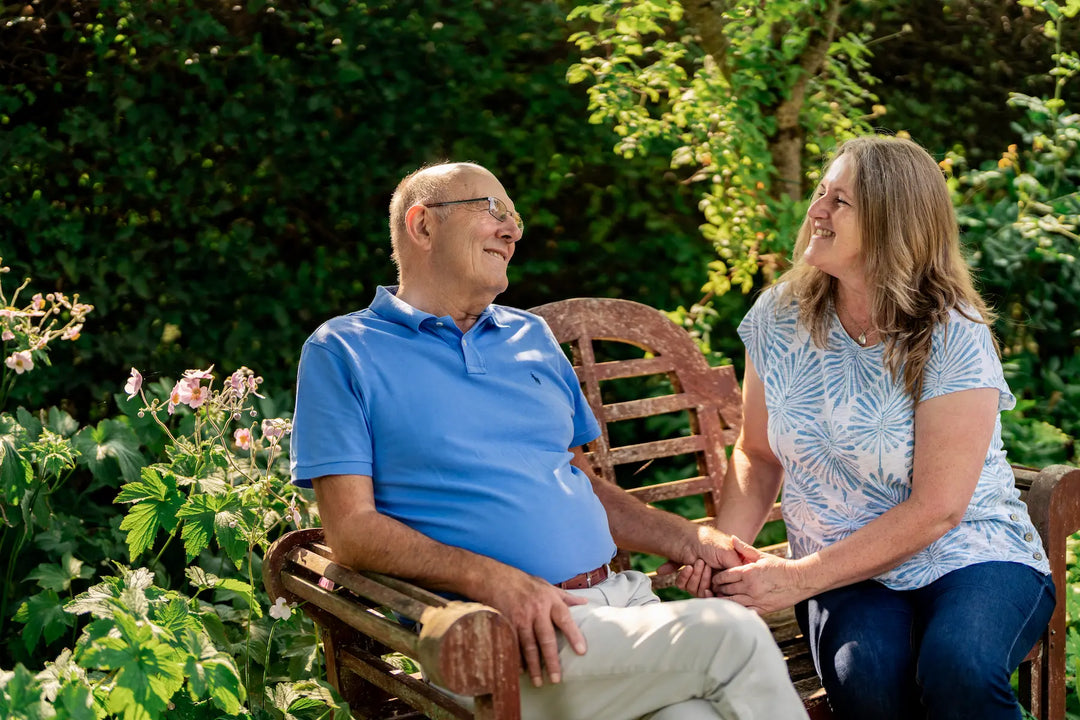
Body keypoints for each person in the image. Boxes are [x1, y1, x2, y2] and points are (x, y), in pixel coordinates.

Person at [289, 161, 808, 720]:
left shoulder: (528, 335)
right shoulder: (343, 350)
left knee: (695, 718)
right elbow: (353, 531)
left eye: (515, 217)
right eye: (492, 210)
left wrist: (690, 540)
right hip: (502, 637)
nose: (512, 230)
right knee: (731, 634)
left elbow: (581, 483)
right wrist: (495, 580)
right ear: (422, 225)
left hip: (621, 604)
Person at [701, 135, 1054, 720]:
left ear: (894, 223)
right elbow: (758, 454)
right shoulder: (778, 317)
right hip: (839, 561)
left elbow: (939, 509)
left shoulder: (952, 331)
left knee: (960, 667)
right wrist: (721, 555)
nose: (816, 210)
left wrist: (796, 579)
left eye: (839, 201)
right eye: (820, 192)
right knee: (865, 679)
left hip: (969, 549)